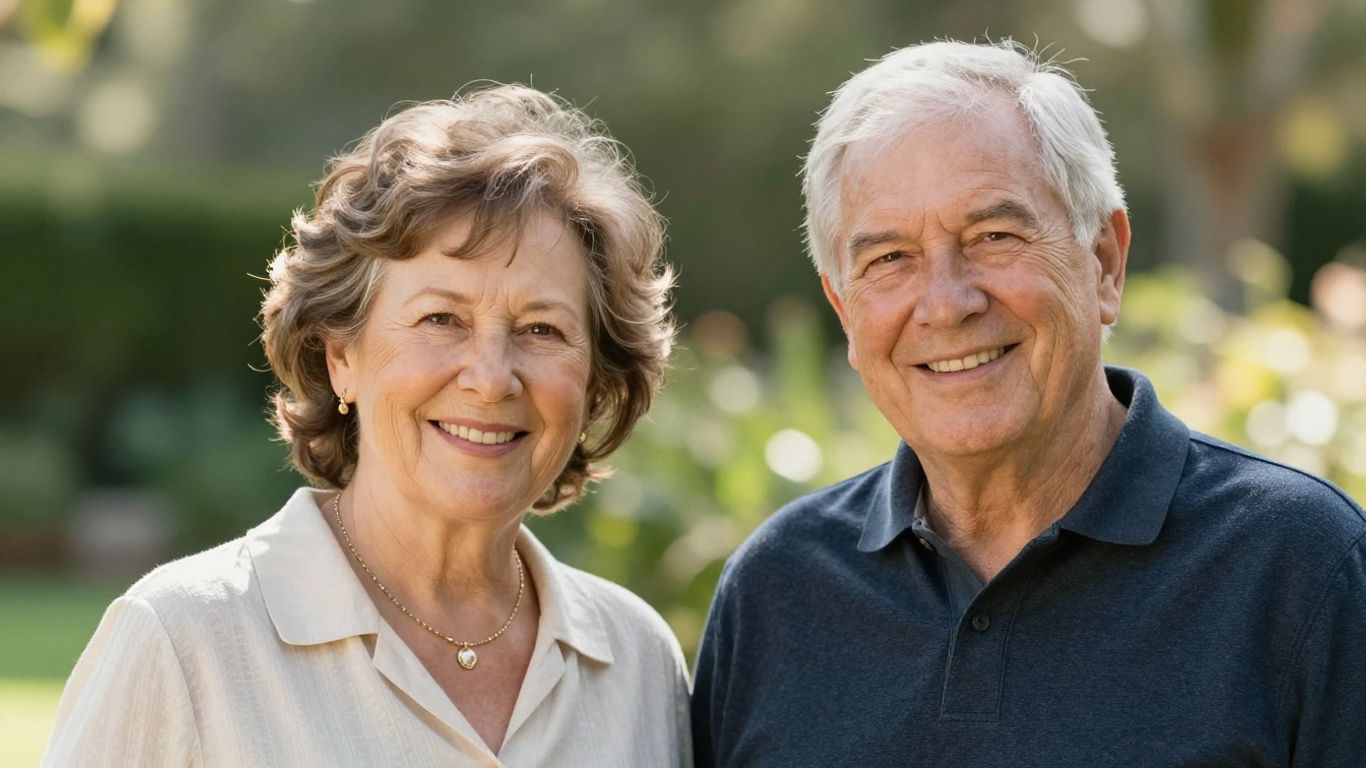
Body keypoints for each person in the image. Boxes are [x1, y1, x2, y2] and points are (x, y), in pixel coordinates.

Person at [692, 40, 1366, 766]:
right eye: (890, 259)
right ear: (844, 307)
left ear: (1104, 261)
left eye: (994, 236)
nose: (947, 304)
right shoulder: (776, 594)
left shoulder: (1303, 568)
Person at [45, 84, 691, 766]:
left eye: (542, 329)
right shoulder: (184, 643)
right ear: (342, 356)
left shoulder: (637, 663)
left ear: (593, 384)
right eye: (442, 319)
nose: (492, 376)